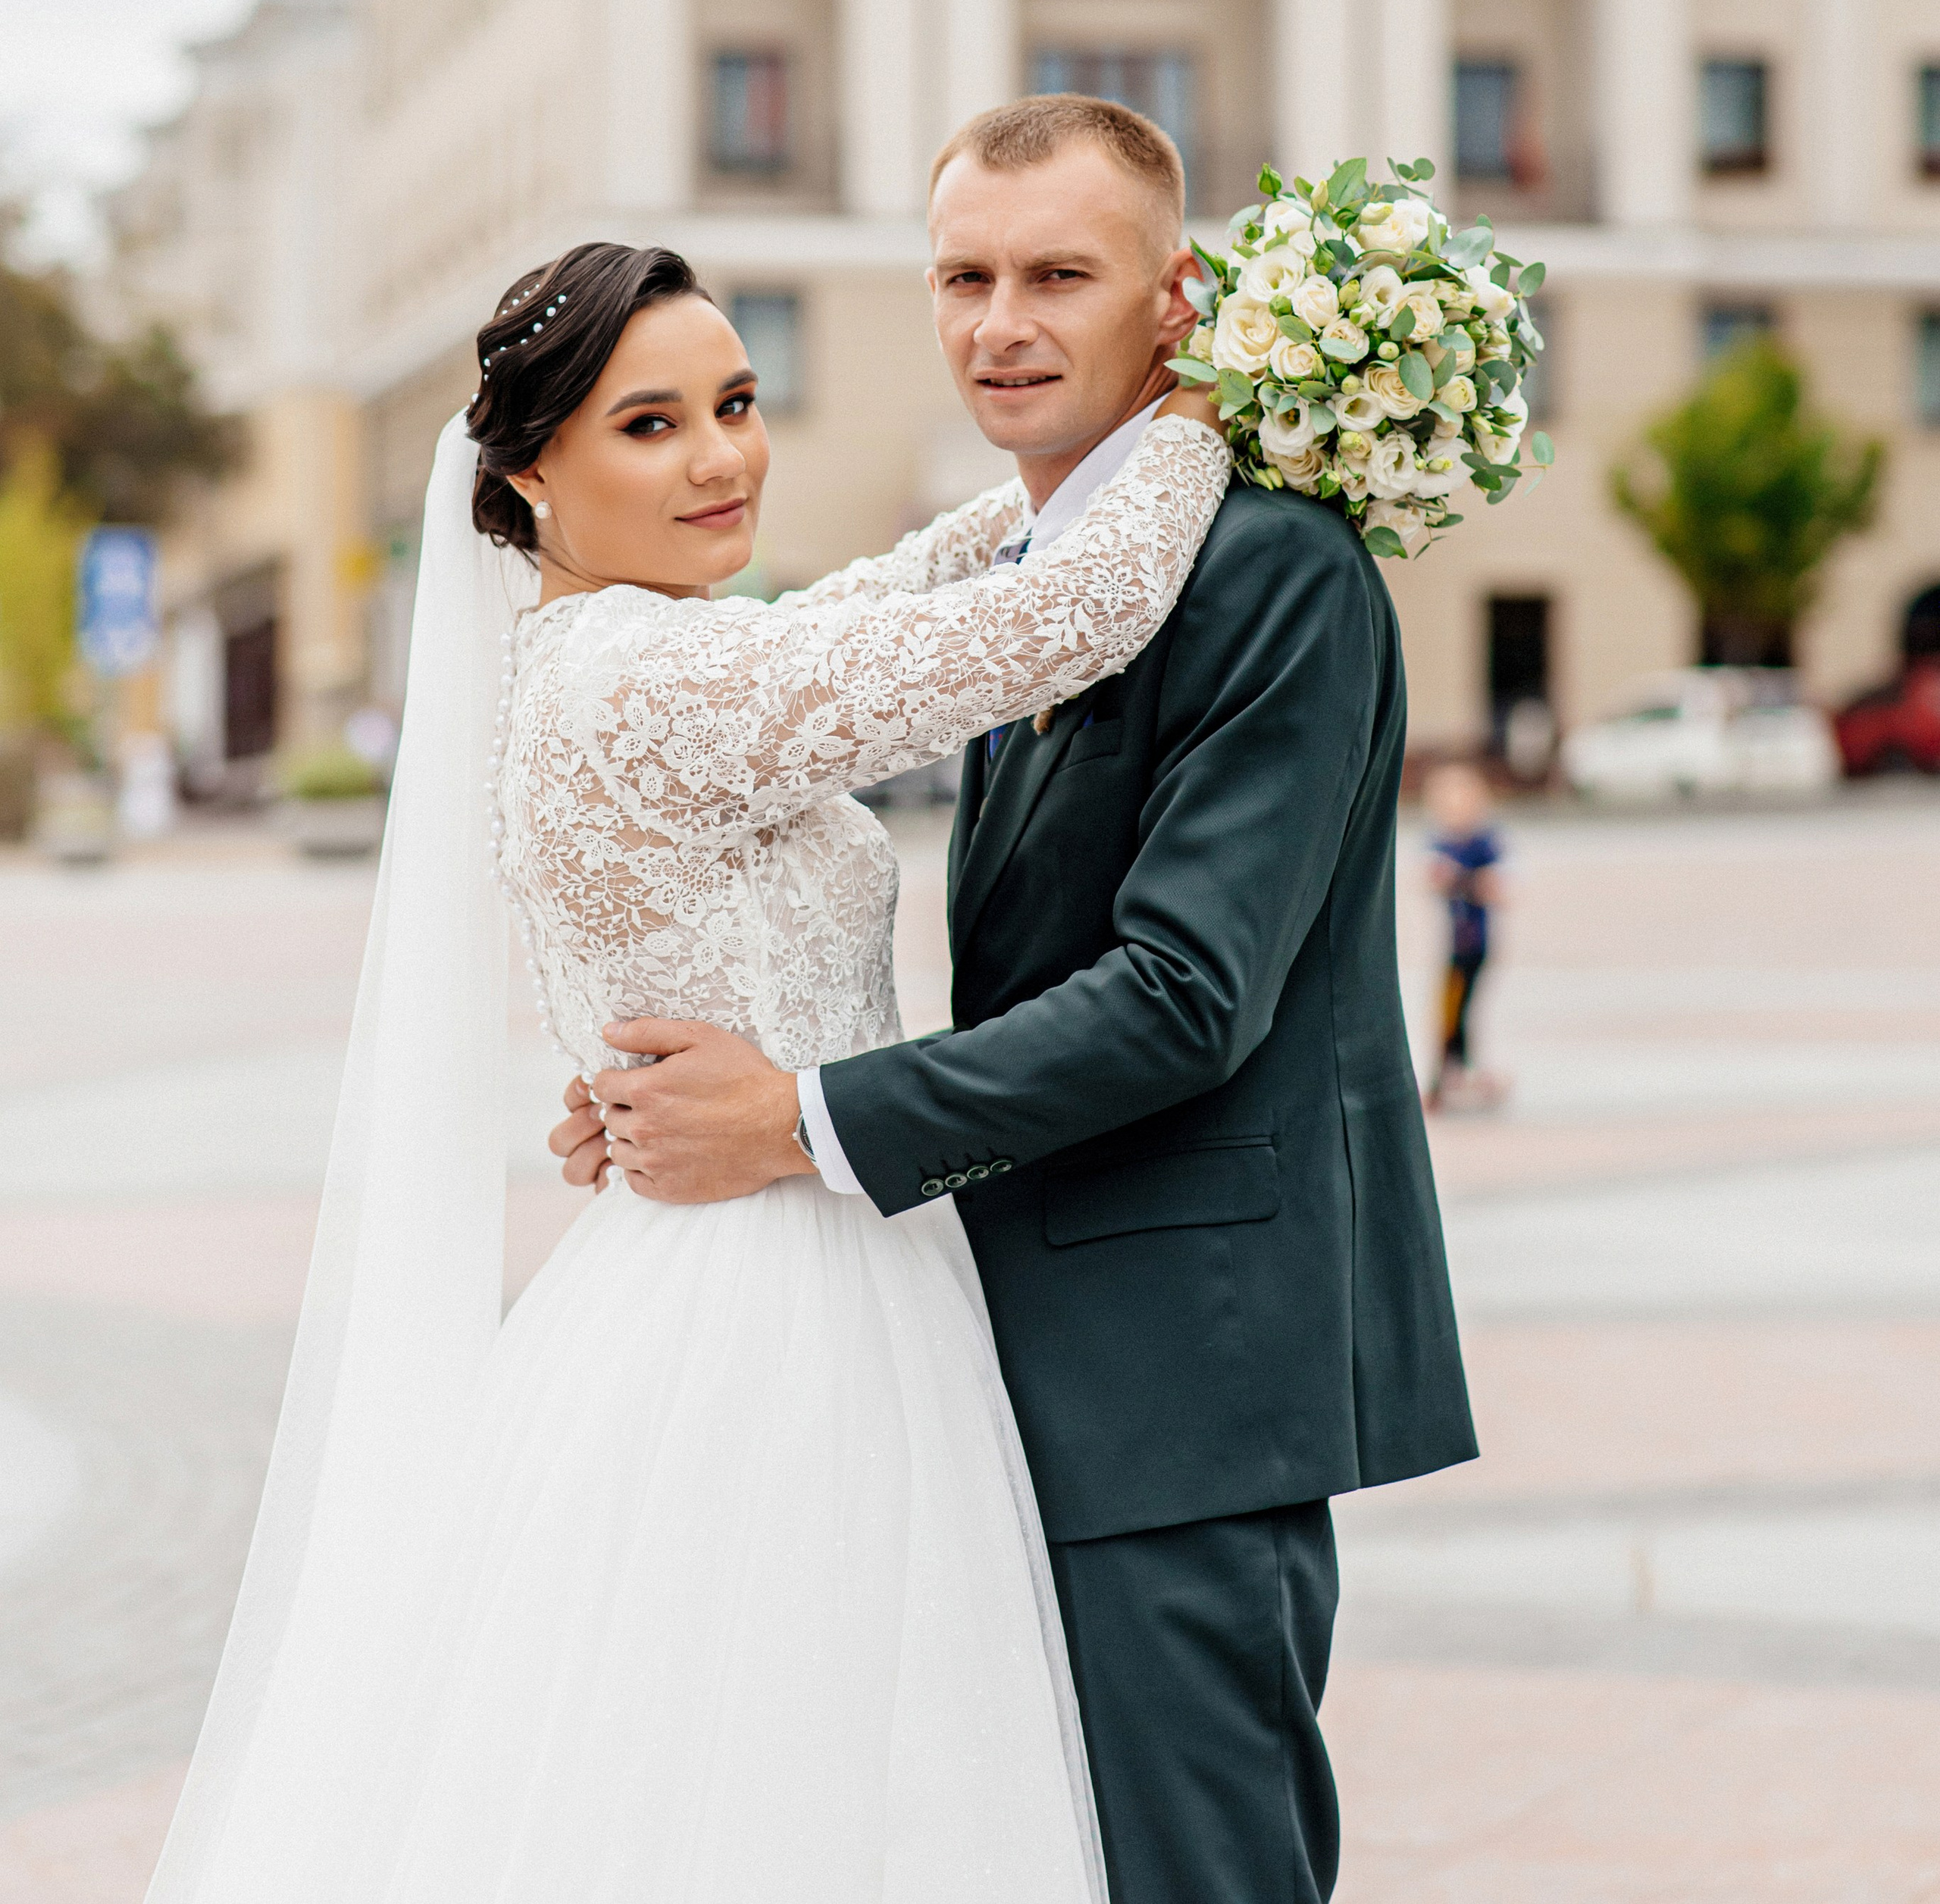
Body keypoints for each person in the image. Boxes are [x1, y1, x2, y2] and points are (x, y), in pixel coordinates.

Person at [146, 236, 1231, 1904]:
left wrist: (1056, 475)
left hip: (760, 1236)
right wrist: (1214, 403)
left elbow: (886, 596)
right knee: (791, 1768)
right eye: (648, 426)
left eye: (732, 401)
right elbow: (1059, 621)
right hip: (774, 1298)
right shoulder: (645, 676)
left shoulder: (634, 650)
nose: (720, 455)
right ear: (527, 474)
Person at [554, 95, 1477, 1904]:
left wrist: (799, 1119)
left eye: (1058, 272)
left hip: (1181, 1361)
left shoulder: (1267, 563)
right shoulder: (1029, 570)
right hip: (1015, 1338)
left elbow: (1179, 993)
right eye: (962, 275)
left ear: (1176, 295)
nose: (1000, 322)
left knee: (1191, 1867)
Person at [1423, 760, 1510, 1113]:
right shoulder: (1443, 842)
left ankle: (1448, 1077)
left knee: (1455, 1009)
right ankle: (1456, 1072)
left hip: (1476, 943)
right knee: (1451, 1010)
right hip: (1456, 944)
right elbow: (1431, 877)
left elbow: (1499, 888)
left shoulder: (1484, 843)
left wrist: (1463, 881)